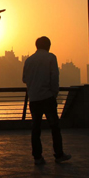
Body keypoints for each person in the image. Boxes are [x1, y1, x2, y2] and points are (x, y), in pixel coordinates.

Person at [22, 36, 71, 165]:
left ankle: (37, 157)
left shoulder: (28, 60)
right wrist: (54, 93)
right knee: (54, 127)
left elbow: (24, 79)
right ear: (48, 45)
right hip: (47, 98)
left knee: (36, 128)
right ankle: (58, 154)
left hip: (34, 99)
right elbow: (54, 77)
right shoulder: (51, 58)